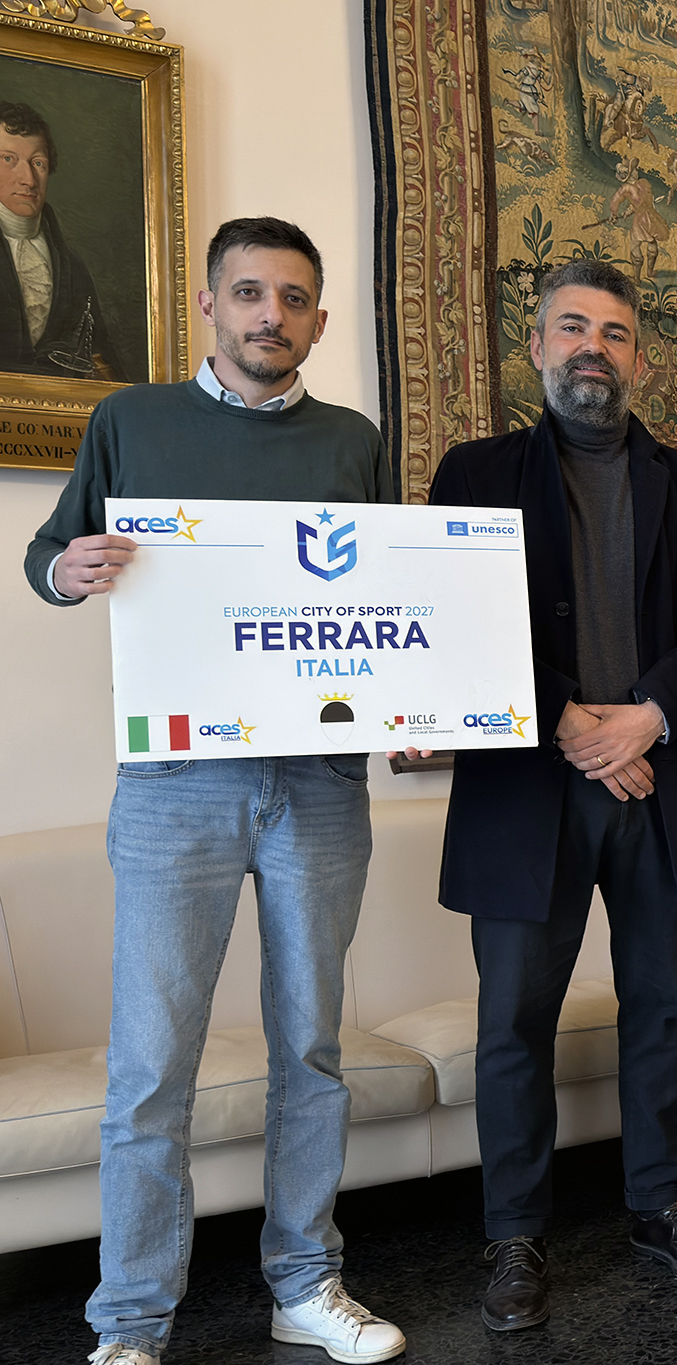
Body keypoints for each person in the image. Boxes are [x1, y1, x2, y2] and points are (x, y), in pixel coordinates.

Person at [23, 218, 403, 1365]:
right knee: (151, 1069)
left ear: (318, 321)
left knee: (312, 1052)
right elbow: (49, 552)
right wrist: (65, 568)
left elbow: (391, 605)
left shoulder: (354, 441)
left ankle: (305, 1283)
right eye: (248, 293)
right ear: (208, 304)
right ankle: (131, 1323)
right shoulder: (128, 421)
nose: (268, 316)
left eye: (292, 298)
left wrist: (416, 711)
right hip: (175, 784)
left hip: (320, 785)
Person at [418, 257, 677, 1330]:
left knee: (661, 1007)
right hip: (530, 792)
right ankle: (514, 1235)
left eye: (612, 333)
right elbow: (455, 619)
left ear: (640, 361)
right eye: (571, 327)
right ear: (536, 347)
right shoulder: (474, 474)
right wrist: (571, 723)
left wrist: (644, 719)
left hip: (664, 785)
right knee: (515, 1018)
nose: (591, 349)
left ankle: (660, 1203)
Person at [0, 101, 126, 380]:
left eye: (38, 163)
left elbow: (99, 356)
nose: (28, 179)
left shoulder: (72, 267)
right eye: (8, 159)